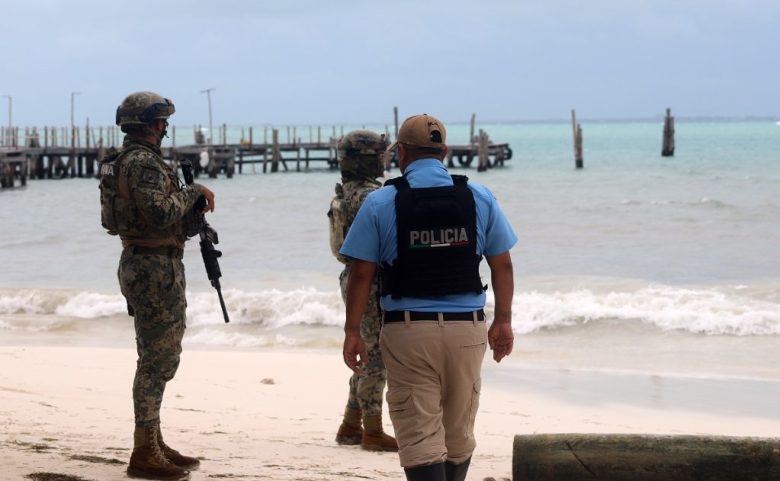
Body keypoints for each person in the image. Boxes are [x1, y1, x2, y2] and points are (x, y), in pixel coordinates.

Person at [340, 114, 516, 481]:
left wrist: (352, 330)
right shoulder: (478, 196)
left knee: (420, 435)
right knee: (458, 432)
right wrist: (503, 320)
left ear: (401, 154)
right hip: (467, 332)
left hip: (409, 333)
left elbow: (361, 273)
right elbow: (503, 266)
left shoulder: (381, 201)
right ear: (444, 152)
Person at [99, 91, 215, 480]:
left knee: (156, 355)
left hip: (144, 262)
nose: (165, 128)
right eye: (162, 122)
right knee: (157, 361)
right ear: (150, 125)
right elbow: (160, 211)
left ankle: (152, 440)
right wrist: (193, 192)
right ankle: (144, 450)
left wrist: (190, 212)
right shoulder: (144, 164)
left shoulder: (122, 162)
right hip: (153, 268)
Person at [328, 130, 398, 452]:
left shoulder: (345, 193)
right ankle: (372, 430)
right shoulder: (374, 196)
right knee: (375, 357)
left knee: (365, 353)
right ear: (371, 158)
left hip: (351, 277)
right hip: (371, 280)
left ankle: (350, 424)